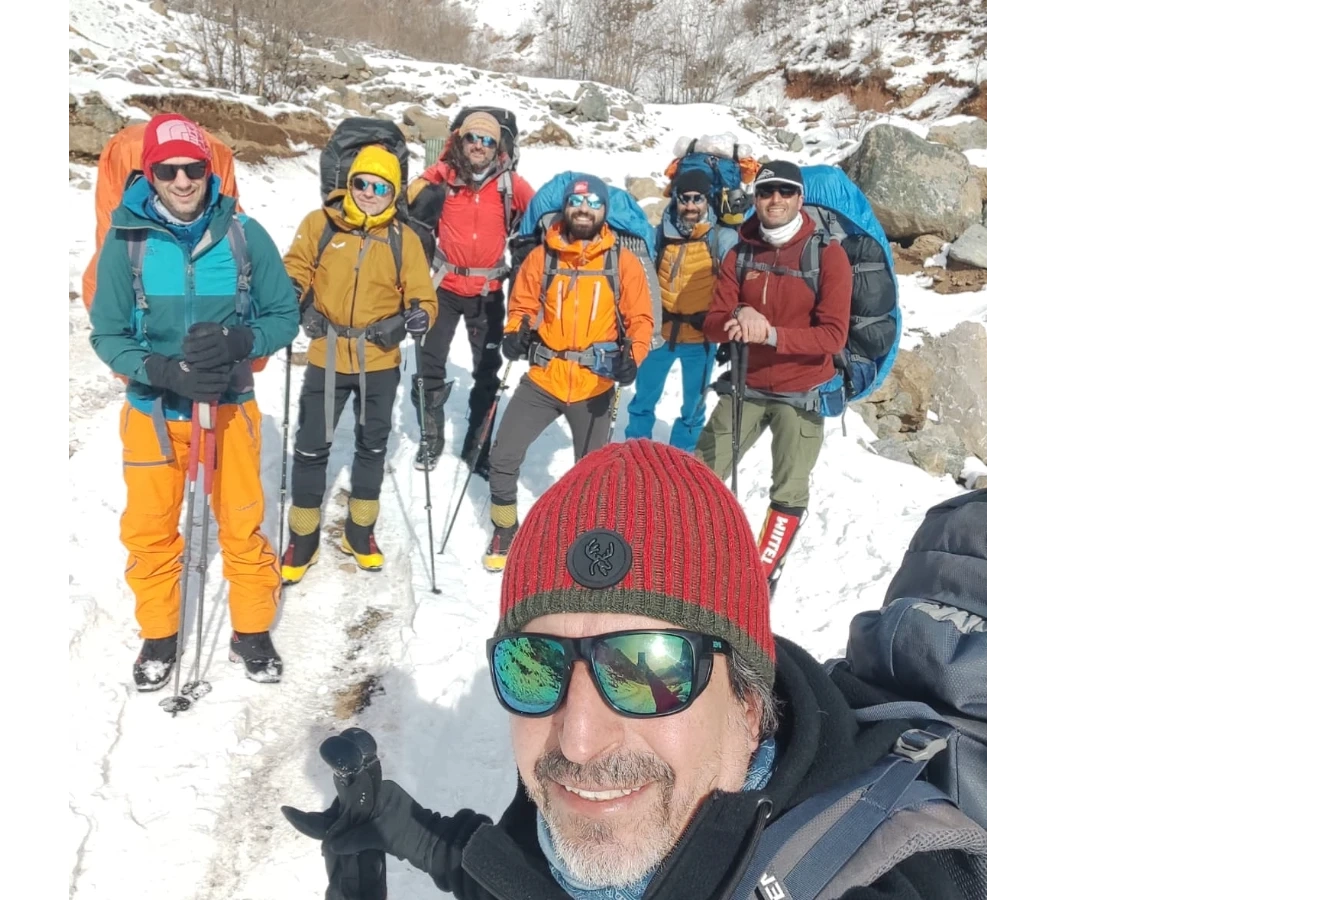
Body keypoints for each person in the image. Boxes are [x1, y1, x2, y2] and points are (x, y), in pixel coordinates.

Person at [280, 439, 989, 900]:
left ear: (748, 704)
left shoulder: (899, 883)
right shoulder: (636, 815)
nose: (579, 740)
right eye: (535, 665)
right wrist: (416, 832)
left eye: (647, 668)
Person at [88, 113, 299, 689]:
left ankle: (251, 631)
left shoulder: (242, 234)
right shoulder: (124, 241)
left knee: (242, 523)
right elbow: (106, 333)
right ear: (149, 173)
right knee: (150, 530)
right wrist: (157, 369)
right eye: (168, 169)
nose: (183, 181)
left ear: (211, 169)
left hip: (229, 407)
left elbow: (284, 315)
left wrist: (241, 341)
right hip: (153, 413)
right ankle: (159, 637)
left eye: (194, 168)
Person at [280, 145, 438, 583]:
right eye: (362, 184)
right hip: (327, 354)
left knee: (371, 445)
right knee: (311, 445)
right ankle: (303, 536)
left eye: (380, 186)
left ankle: (360, 530)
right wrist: (296, 297)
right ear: (349, 185)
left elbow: (422, 292)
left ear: (393, 192)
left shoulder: (402, 238)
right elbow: (296, 267)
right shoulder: (321, 224)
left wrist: (419, 315)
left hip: (378, 359)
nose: (369, 193)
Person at [481, 175, 654, 572]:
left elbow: (640, 319)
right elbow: (522, 305)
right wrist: (514, 333)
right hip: (544, 378)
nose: (584, 209)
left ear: (604, 210)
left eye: (593, 201)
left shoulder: (621, 262)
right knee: (504, 456)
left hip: (595, 383)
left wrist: (635, 357)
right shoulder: (542, 258)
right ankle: (504, 529)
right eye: (577, 201)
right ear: (566, 208)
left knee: (592, 472)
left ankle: (585, 539)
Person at [696, 161, 851, 586]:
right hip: (746, 385)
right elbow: (711, 322)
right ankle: (692, 557)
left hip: (803, 391)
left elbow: (833, 337)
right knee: (700, 473)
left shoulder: (828, 255)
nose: (776, 200)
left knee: (788, 489)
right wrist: (738, 314)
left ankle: (761, 577)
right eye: (767, 192)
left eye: (785, 191)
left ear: (800, 199)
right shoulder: (741, 251)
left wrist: (771, 335)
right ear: (756, 199)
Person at [409, 112, 534, 476]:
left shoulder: (510, 184)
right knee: (428, 363)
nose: (479, 145)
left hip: (488, 291)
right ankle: (431, 437)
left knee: (487, 371)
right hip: (444, 286)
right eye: (472, 138)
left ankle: (477, 446)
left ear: (499, 147)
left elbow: (544, 211)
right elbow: (407, 199)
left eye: (488, 140)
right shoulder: (443, 177)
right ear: (460, 141)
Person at [623, 169, 738, 453]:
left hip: (700, 338)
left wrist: (727, 330)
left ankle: (681, 456)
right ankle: (635, 450)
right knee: (643, 399)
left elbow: (736, 285)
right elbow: (641, 277)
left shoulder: (721, 238)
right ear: (676, 199)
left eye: (697, 198)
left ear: (707, 200)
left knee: (694, 406)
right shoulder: (660, 234)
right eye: (684, 198)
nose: (690, 205)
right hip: (659, 335)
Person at [81, 119, 242, 313]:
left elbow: (109, 219)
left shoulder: (123, 143)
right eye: (165, 171)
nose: (181, 181)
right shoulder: (215, 148)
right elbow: (228, 221)